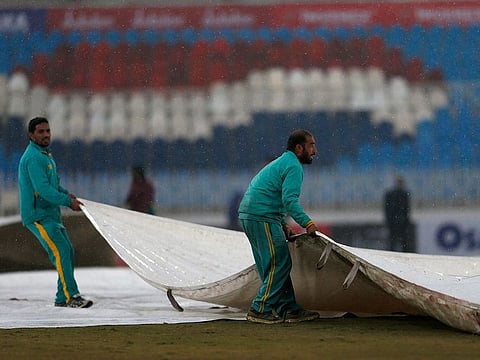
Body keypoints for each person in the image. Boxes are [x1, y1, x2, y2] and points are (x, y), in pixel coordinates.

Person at [238, 129, 320, 324]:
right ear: (299, 148)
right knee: (280, 263)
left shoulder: (282, 162)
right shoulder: (293, 166)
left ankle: (288, 308)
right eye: (311, 145)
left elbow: (271, 194)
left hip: (253, 214)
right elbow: (290, 201)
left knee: (272, 266)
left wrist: (283, 223)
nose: (315, 151)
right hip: (262, 216)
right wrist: (308, 224)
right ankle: (259, 309)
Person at [18, 117, 93, 308]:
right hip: (38, 215)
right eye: (41, 132)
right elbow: (43, 190)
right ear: (31, 135)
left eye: (47, 131)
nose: (46, 135)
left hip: (50, 214)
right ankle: (71, 297)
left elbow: (53, 186)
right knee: (60, 251)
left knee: (66, 251)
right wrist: (68, 202)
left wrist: (66, 193)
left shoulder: (45, 155)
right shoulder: (33, 158)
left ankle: (62, 296)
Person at [384, 176, 412, 252]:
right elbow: (406, 209)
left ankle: (393, 253)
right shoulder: (402, 194)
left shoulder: (392, 194)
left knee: (396, 241)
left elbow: (406, 209)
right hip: (398, 221)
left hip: (396, 221)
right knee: (398, 241)